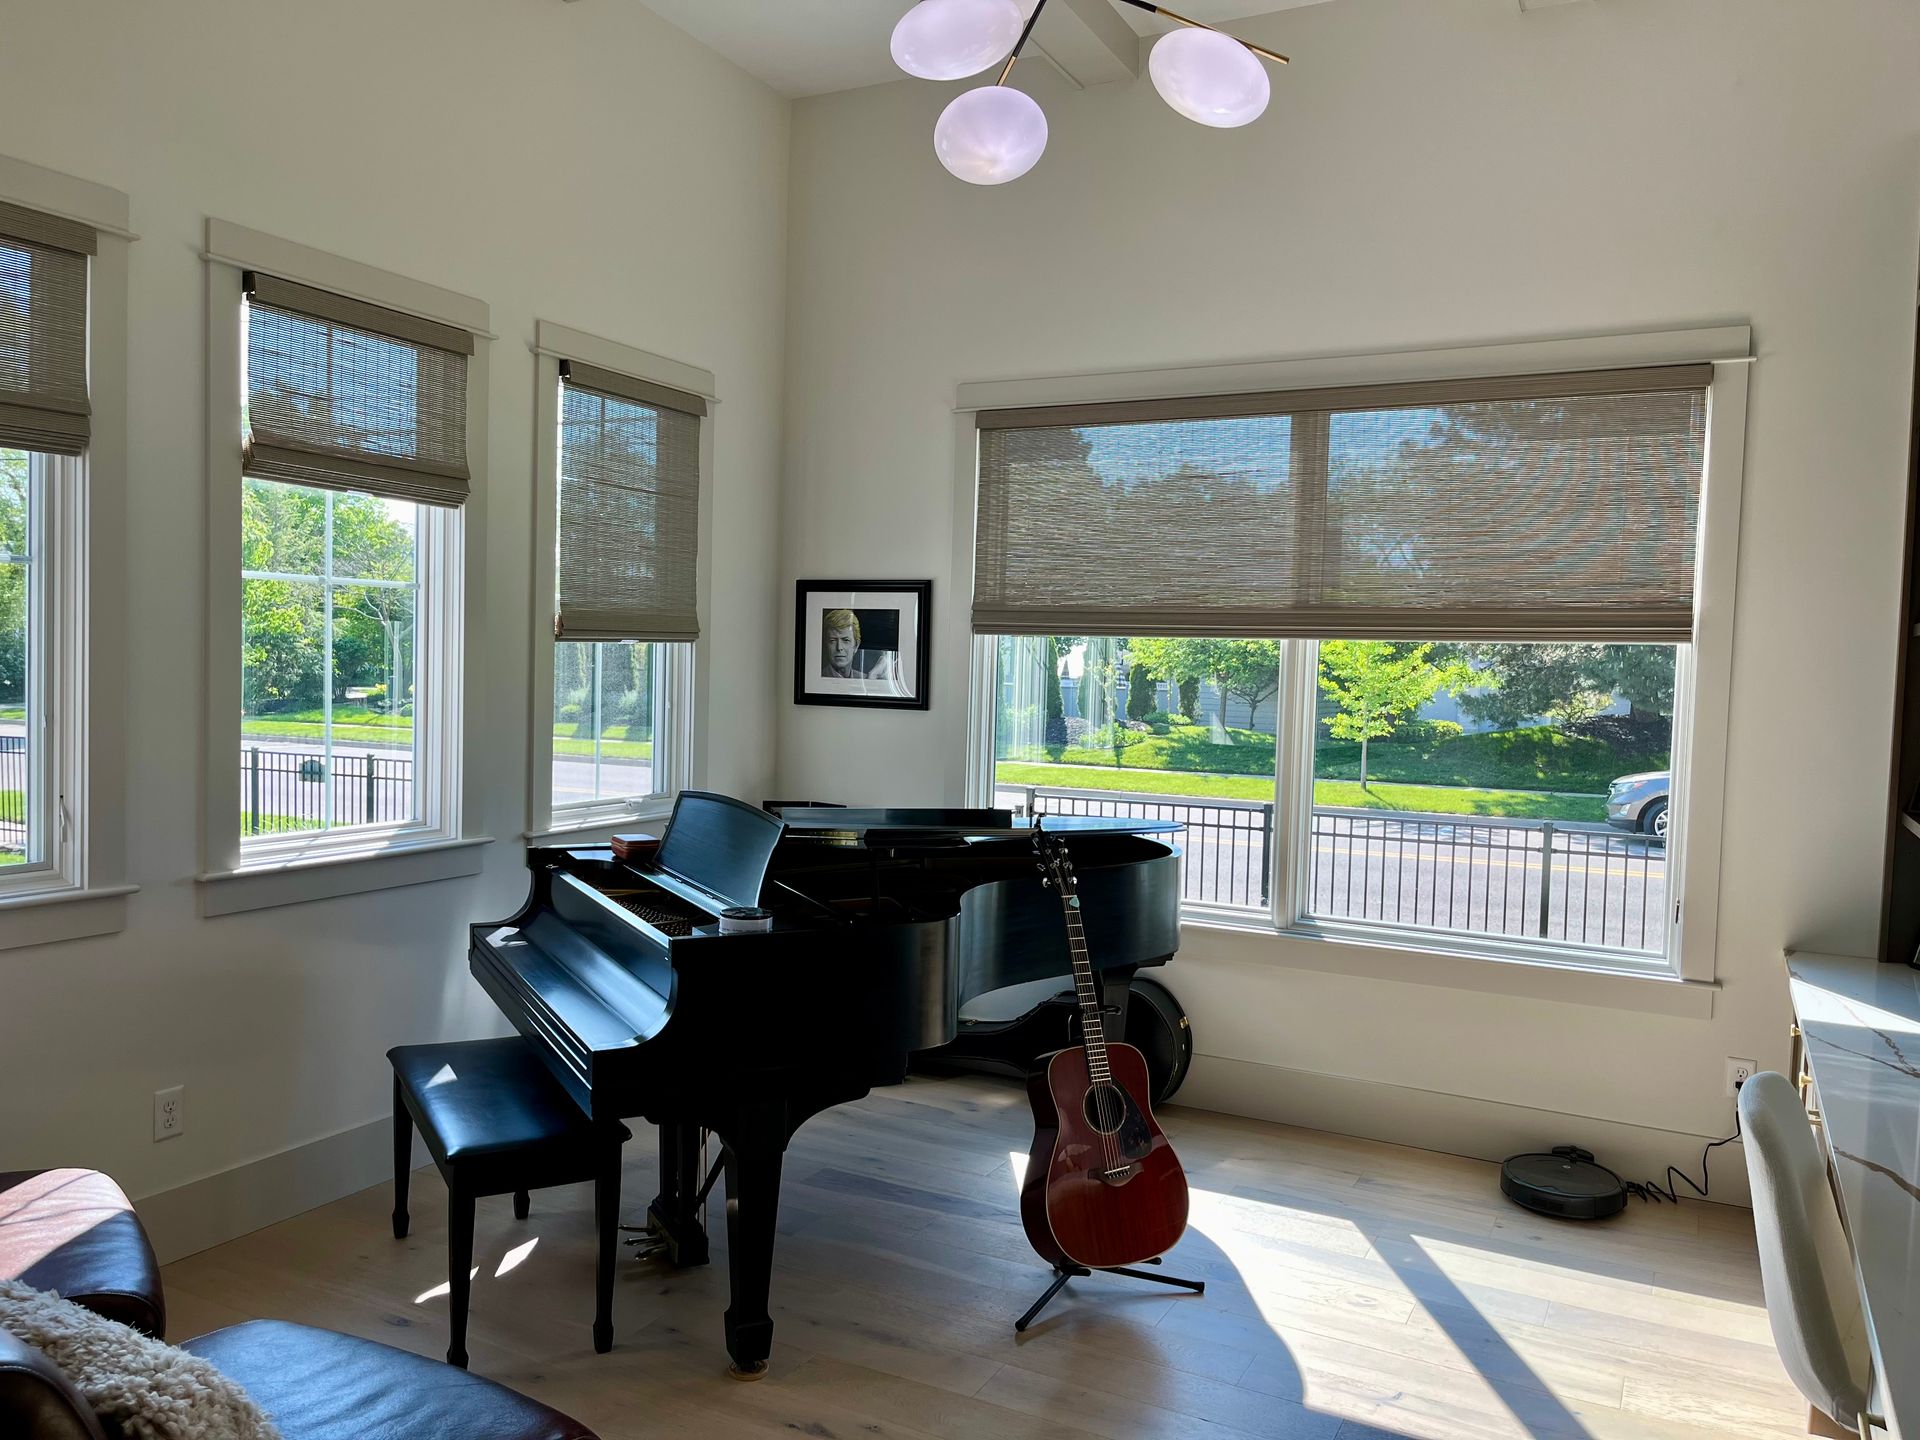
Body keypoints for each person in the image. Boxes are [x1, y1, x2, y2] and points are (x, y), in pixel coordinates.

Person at [822, 609, 861, 679]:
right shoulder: (817, 678)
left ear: (856, 646)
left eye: (846, 640)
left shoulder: (865, 679)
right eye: (833, 640)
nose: (839, 647)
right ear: (826, 645)